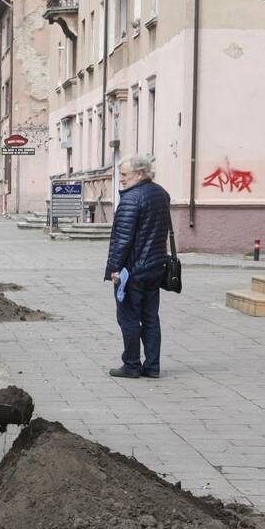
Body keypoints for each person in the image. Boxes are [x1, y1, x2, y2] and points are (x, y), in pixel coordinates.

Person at [104, 155, 170, 379]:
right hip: (155, 266)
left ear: (140, 174)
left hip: (133, 270)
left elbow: (123, 239)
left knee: (129, 318)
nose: (120, 179)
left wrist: (114, 268)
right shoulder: (161, 194)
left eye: (124, 174)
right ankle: (152, 367)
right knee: (151, 318)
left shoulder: (132, 199)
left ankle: (131, 365)